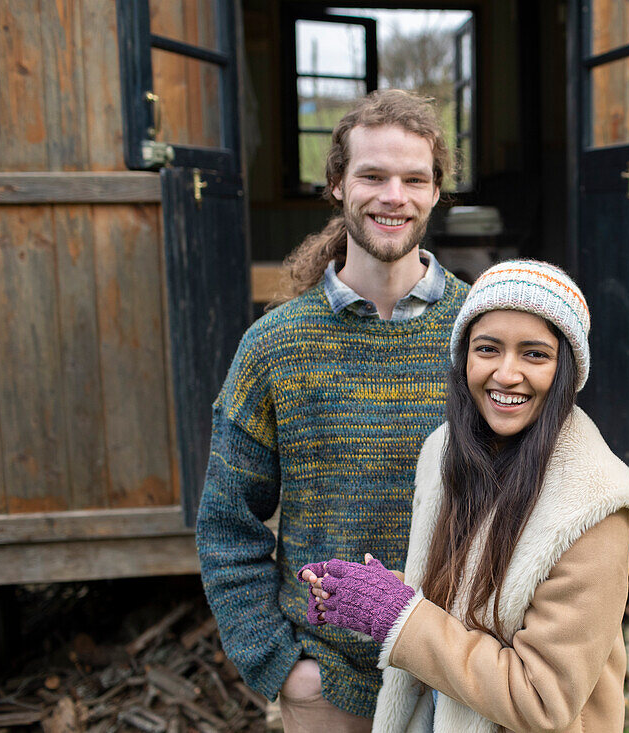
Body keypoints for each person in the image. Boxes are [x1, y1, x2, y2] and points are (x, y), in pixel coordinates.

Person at [195, 89, 470, 732]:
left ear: (435, 194)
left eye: (414, 179)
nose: (392, 195)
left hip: (458, 674)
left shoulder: (481, 333)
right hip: (330, 683)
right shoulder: (276, 346)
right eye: (372, 175)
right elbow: (226, 524)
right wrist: (285, 667)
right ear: (338, 184)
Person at [299, 259, 629, 732]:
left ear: (565, 370)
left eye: (534, 354)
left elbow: (542, 701)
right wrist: (366, 595)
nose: (507, 373)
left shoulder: (591, 510)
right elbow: (467, 608)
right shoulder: (446, 453)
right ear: (464, 359)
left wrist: (399, 616)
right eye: (488, 349)